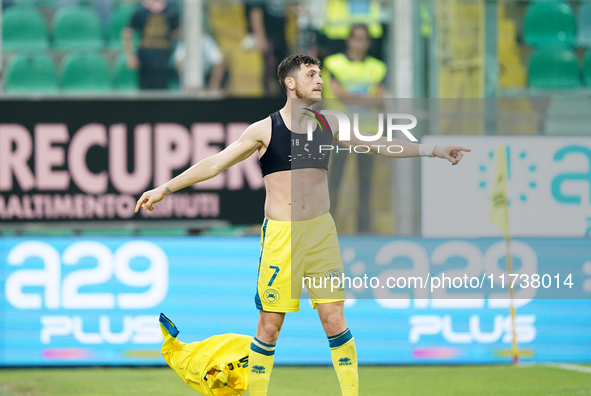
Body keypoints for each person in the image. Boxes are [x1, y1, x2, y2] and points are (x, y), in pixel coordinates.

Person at [135, 54, 470, 396]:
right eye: (311, 74)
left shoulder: (331, 123)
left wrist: (433, 150)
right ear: (290, 83)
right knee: (269, 327)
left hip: (321, 233)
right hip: (282, 237)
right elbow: (215, 164)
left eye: (320, 74)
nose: (320, 80)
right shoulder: (265, 129)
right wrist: (164, 188)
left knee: (334, 319)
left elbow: (379, 144)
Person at [323, 24, 387, 232]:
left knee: (366, 182)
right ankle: (328, 226)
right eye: (356, 38)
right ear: (348, 40)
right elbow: (337, 94)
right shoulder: (334, 64)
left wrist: (351, 97)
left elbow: (378, 98)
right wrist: (365, 99)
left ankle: (364, 228)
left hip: (367, 132)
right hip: (341, 132)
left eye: (363, 38)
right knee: (335, 179)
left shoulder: (378, 67)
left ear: (368, 42)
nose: (360, 43)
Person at [122, 0, 180, 90]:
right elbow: (127, 33)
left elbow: (176, 34)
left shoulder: (171, 12)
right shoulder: (140, 12)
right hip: (145, 60)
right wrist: (130, 56)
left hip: (163, 61)